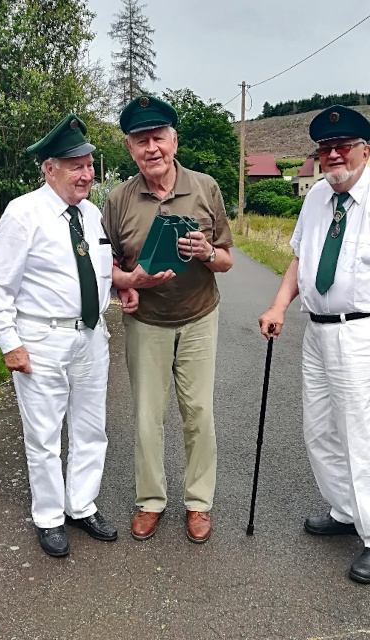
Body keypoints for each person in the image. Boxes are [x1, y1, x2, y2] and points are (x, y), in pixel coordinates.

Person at [259, 105, 370, 584]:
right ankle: (344, 510)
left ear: (364, 151)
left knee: (362, 437)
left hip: (369, 331)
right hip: (320, 329)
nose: (333, 155)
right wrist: (277, 306)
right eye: (325, 148)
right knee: (320, 430)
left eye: (343, 146)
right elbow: (299, 258)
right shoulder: (315, 196)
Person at [0, 114, 138, 557]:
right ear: (49, 169)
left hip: (90, 336)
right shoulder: (23, 213)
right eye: (76, 166)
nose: (87, 174)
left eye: (90, 165)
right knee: (45, 436)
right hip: (42, 340)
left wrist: (119, 292)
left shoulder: (90, 215)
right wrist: (9, 343)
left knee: (92, 428)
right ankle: (50, 517)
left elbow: (95, 269)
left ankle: (81, 504)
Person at [103, 95, 233, 544]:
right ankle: (150, 501)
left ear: (174, 140)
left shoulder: (205, 188)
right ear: (130, 147)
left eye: (159, 137)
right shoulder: (118, 199)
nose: (151, 148)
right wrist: (129, 284)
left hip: (198, 317)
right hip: (146, 325)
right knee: (146, 415)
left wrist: (208, 253)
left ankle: (198, 503)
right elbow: (111, 267)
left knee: (198, 412)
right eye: (141, 141)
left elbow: (228, 259)